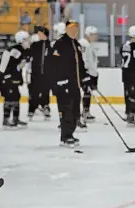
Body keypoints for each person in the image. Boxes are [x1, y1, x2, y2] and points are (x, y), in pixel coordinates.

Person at [51, 20, 90, 148]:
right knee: (66, 111)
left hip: (75, 85)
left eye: (76, 28)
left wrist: (85, 78)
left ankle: (70, 134)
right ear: (66, 30)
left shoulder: (76, 44)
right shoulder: (60, 44)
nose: (74, 31)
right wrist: (59, 81)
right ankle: (65, 136)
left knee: (75, 111)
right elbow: (54, 65)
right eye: (71, 28)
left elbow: (81, 64)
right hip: (63, 85)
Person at [0, 30, 31, 128]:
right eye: (26, 40)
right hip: (6, 77)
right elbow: (10, 66)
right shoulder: (16, 50)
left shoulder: (22, 50)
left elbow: (18, 66)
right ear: (21, 40)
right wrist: (8, 78)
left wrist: (19, 78)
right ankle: (6, 120)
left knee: (16, 96)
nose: (28, 41)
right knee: (10, 97)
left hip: (11, 77)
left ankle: (15, 119)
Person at [120, 25, 135, 126]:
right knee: (134, 94)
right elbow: (134, 62)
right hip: (132, 73)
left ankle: (129, 112)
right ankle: (131, 114)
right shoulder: (134, 46)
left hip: (126, 73)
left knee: (130, 93)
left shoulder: (126, 45)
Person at [27, 25, 51, 121]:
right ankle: (31, 109)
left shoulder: (50, 45)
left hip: (47, 74)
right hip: (35, 73)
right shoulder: (35, 45)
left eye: (40, 33)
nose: (39, 35)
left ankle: (45, 107)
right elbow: (28, 56)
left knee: (45, 92)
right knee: (34, 92)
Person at [78, 25, 99, 123]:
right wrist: (86, 72)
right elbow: (83, 59)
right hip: (85, 72)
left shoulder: (89, 44)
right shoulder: (83, 44)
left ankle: (86, 111)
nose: (95, 36)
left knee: (88, 92)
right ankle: (84, 112)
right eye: (94, 34)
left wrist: (95, 74)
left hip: (90, 72)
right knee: (86, 91)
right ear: (89, 34)